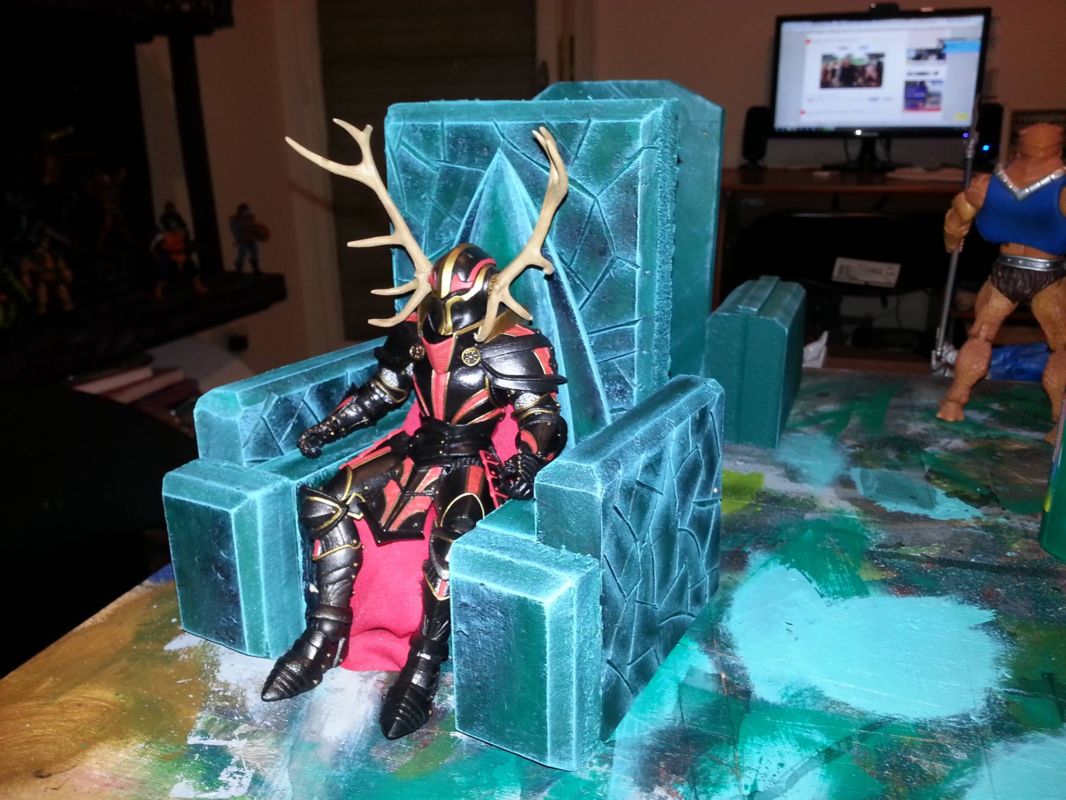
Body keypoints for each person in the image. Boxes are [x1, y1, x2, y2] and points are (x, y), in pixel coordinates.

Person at [938, 123, 1066, 431]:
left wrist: (953, 241)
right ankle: (1058, 423)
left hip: (1007, 271)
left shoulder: (986, 184)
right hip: (1046, 274)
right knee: (1060, 347)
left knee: (981, 335)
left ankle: (953, 402)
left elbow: (955, 222)